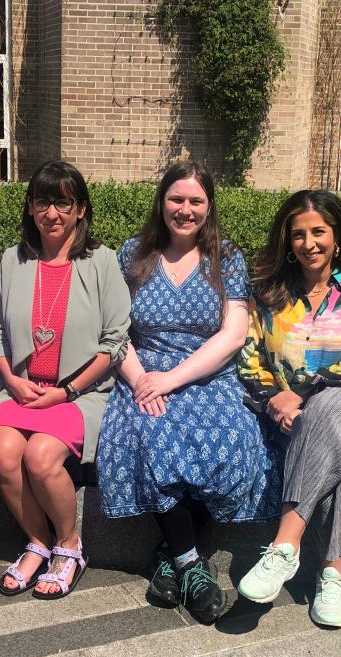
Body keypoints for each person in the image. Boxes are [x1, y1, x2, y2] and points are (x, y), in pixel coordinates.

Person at [97, 160, 281, 624]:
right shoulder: (133, 255)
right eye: (176, 199)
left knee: (233, 437)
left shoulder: (227, 258)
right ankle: (193, 567)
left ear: (209, 207)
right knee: (153, 436)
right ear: (161, 202)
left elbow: (233, 335)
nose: (185, 209)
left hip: (207, 375)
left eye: (195, 201)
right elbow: (116, 332)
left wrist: (172, 379)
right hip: (141, 375)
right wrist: (141, 379)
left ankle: (170, 556)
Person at [235, 190, 341, 627]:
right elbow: (249, 355)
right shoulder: (266, 290)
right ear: (288, 240)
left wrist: (299, 396)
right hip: (285, 408)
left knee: (322, 415)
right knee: (324, 439)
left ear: (336, 235)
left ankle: (284, 546)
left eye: (318, 232)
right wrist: (273, 401)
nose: (309, 243)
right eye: (299, 234)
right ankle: (332, 574)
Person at [0, 161, 131, 600]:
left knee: (41, 456)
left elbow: (114, 342)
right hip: (20, 386)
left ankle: (69, 546)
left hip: (79, 393)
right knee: (4, 450)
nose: (52, 212)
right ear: (30, 208)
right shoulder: (15, 260)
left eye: (63, 202)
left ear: (81, 209)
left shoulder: (102, 262)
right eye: (43, 201)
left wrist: (65, 392)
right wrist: (11, 379)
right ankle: (37, 541)